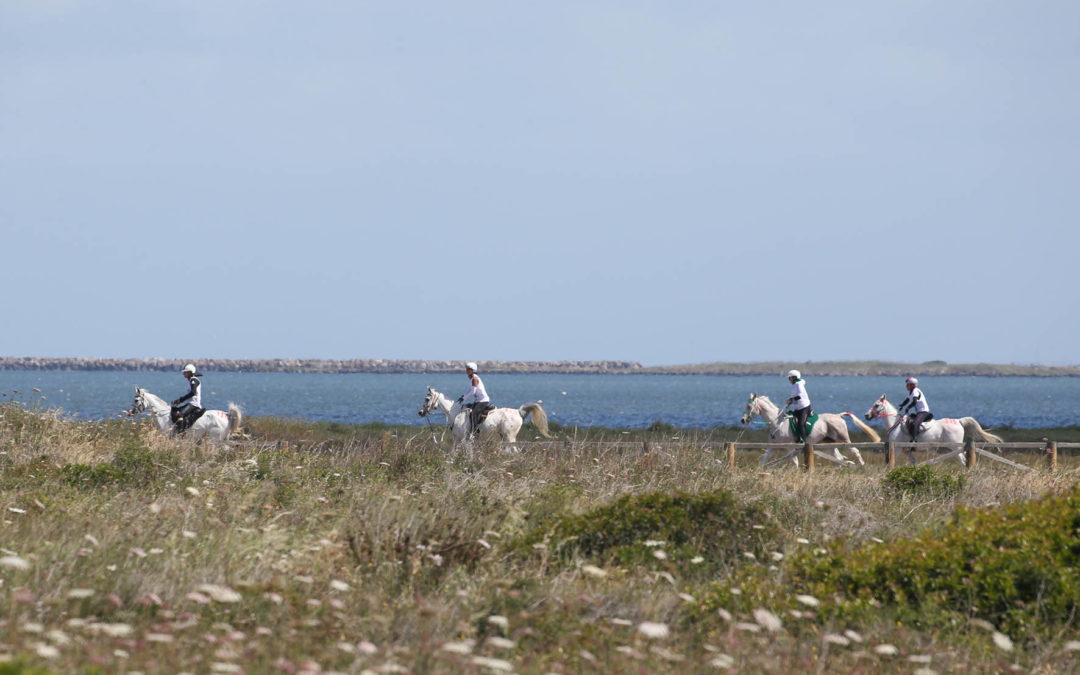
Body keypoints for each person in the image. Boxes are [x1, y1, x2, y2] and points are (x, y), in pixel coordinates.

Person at [456, 362, 492, 435]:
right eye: (466, 369)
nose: (466, 371)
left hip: (483, 401)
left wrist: (463, 399)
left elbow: (473, 392)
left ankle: (475, 433)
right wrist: (462, 397)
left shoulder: (475, 379)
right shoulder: (472, 378)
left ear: (473, 370)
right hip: (478, 401)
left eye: (468, 369)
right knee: (465, 408)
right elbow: (470, 391)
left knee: (473, 414)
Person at [171, 363, 204, 433]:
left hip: (194, 404)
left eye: (185, 372)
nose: (183, 374)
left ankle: (181, 431)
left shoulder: (193, 380)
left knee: (180, 414)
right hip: (190, 403)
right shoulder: (190, 380)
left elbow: (193, 393)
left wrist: (180, 400)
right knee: (174, 410)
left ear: (190, 372)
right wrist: (179, 401)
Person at [897, 376, 932, 440]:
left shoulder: (915, 391)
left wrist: (908, 407)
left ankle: (914, 441)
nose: (906, 386)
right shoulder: (912, 392)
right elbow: (907, 400)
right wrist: (902, 405)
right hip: (919, 411)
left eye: (908, 385)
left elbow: (914, 402)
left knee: (915, 424)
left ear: (912, 385)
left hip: (923, 411)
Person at [785, 369, 812, 443]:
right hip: (797, 408)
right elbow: (795, 397)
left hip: (804, 407)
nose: (788, 379)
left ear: (794, 377)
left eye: (789, 377)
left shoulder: (799, 384)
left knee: (801, 423)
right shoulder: (794, 385)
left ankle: (803, 440)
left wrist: (791, 400)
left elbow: (800, 396)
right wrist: (789, 401)